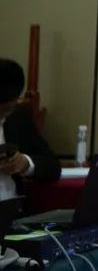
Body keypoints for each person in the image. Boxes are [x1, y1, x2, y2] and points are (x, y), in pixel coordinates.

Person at [0, 58, 60, 198]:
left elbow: (52, 166)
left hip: (12, 207)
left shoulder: (17, 117)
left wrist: (25, 163)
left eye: (5, 110)